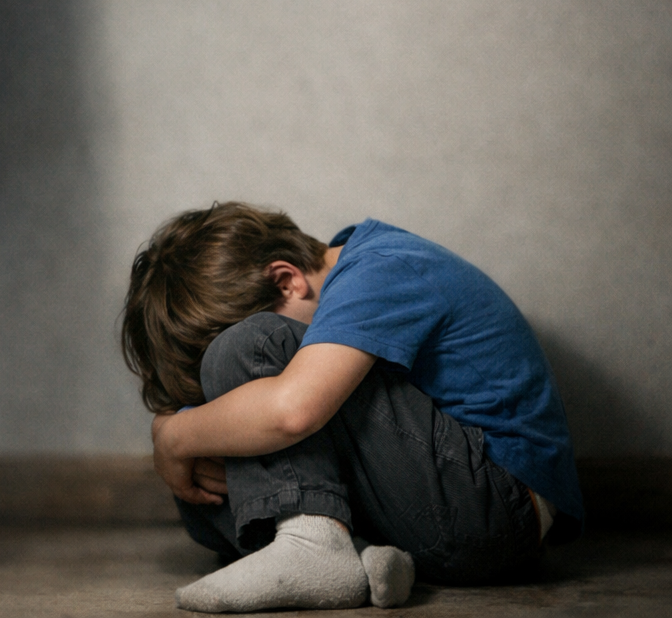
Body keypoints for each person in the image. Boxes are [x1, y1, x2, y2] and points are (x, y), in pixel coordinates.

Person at [121, 202, 583, 612]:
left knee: (249, 346)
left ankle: (315, 547)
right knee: (205, 509)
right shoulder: (347, 273)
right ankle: (357, 560)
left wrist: (173, 435)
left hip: (494, 506)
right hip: (429, 505)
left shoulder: (382, 268)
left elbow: (293, 410)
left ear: (288, 281)